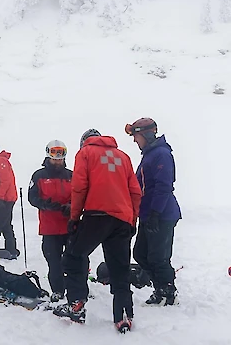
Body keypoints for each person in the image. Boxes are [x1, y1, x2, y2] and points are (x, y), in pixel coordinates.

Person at [54, 129, 141, 332]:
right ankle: (124, 314)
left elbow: (79, 187)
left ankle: (76, 304)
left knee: (73, 258)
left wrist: (75, 217)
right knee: (120, 268)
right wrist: (133, 220)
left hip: (97, 216)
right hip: (122, 219)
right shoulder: (123, 156)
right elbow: (135, 191)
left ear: (84, 141)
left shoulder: (85, 153)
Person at [127, 118, 181, 306]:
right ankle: (160, 287)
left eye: (136, 136)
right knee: (140, 254)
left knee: (158, 257)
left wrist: (156, 213)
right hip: (149, 214)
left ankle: (167, 291)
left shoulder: (161, 154)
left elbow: (163, 186)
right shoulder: (150, 154)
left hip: (162, 215)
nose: (135, 141)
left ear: (147, 135)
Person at [27, 140, 78, 301]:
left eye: (60, 158)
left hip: (70, 226)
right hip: (50, 228)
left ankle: (76, 290)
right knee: (54, 262)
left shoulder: (71, 175)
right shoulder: (39, 175)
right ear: (48, 156)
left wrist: (71, 206)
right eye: (55, 158)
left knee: (74, 260)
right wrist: (46, 205)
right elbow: (32, 197)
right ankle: (58, 290)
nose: (57, 161)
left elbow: (79, 195)